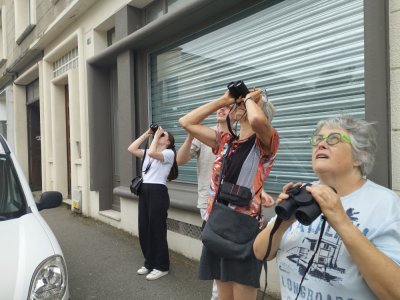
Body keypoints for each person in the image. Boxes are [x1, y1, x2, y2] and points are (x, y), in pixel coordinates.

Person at [253, 115, 400, 299]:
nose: (321, 144)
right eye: (318, 139)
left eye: (334, 139)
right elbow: (260, 252)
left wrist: (341, 222)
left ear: (360, 156)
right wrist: (284, 221)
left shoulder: (384, 203)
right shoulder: (305, 193)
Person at [179, 87, 279, 300]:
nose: (241, 104)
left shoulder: (265, 143)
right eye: (241, 102)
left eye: (247, 103)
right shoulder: (225, 141)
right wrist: (224, 100)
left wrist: (251, 99)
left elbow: (259, 123)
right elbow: (186, 122)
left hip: (244, 231)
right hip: (219, 223)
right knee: (223, 296)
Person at [127, 125, 178, 281]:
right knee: (144, 229)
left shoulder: (169, 153)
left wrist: (156, 136)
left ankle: (162, 266)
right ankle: (149, 262)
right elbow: (131, 148)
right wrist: (148, 133)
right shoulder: (149, 153)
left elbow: (152, 152)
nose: (160, 135)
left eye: (163, 135)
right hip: (145, 191)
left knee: (157, 230)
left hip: (158, 192)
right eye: (159, 134)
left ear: (168, 142)